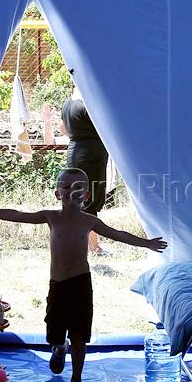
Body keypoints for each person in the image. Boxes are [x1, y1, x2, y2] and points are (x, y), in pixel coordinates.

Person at [0, 169, 167, 382]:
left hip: (80, 284)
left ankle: (76, 379)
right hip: (57, 284)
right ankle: (59, 347)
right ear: (57, 194)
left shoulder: (89, 221)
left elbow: (118, 234)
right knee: (55, 334)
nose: (72, 191)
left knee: (79, 334)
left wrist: (146, 243)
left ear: (86, 195)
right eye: (66, 187)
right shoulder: (51, 217)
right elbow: (18, 215)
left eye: (78, 187)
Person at [60, 75, 110, 255]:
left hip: (74, 153)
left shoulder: (67, 104)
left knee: (77, 199)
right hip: (91, 155)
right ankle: (94, 247)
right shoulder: (87, 104)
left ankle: (77, 243)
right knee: (91, 201)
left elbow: (63, 130)